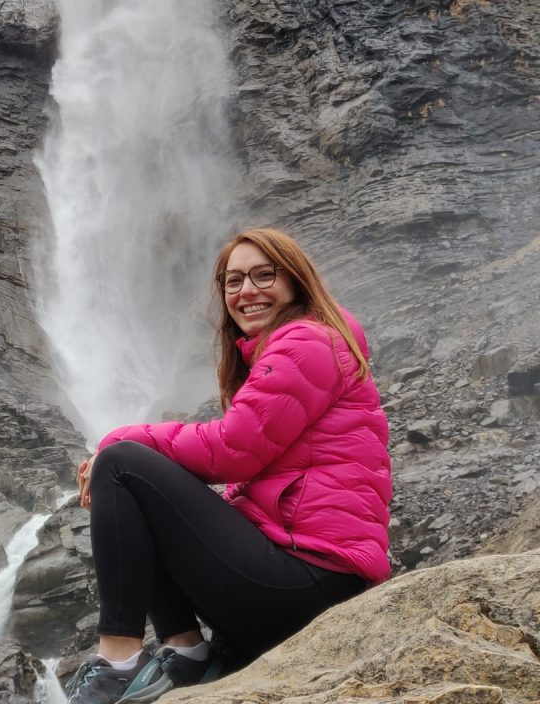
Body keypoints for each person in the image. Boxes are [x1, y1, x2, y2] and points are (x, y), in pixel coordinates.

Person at [67, 227, 391, 704]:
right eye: (233, 281)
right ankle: (184, 652)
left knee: (120, 465)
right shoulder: (301, 344)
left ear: (297, 282)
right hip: (300, 577)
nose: (247, 291)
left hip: (312, 581)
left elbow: (231, 450)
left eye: (265, 275)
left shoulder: (308, 342)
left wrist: (120, 438)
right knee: (141, 489)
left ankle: (117, 663)